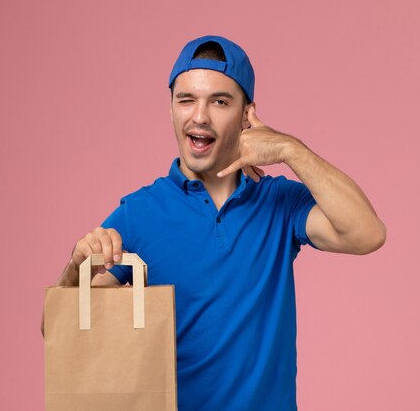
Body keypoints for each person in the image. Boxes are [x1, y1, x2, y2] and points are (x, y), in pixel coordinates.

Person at [43, 35, 386, 410]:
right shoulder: (139, 212)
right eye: (186, 100)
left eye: (219, 102)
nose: (200, 115)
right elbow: (59, 331)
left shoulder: (280, 202)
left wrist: (290, 149)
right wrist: (75, 268)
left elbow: (367, 233)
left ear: (246, 115)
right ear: (171, 109)